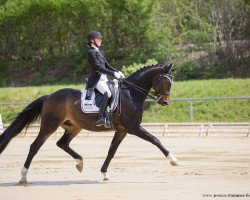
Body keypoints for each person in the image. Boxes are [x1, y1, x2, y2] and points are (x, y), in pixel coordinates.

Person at [85, 31, 125, 128]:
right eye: (98, 38)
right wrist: (113, 74)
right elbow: (99, 68)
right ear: (92, 41)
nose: (100, 40)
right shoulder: (91, 53)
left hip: (104, 79)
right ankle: (100, 118)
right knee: (108, 93)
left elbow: (107, 66)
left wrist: (118, 72)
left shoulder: (99, 52)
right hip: (97, 80)